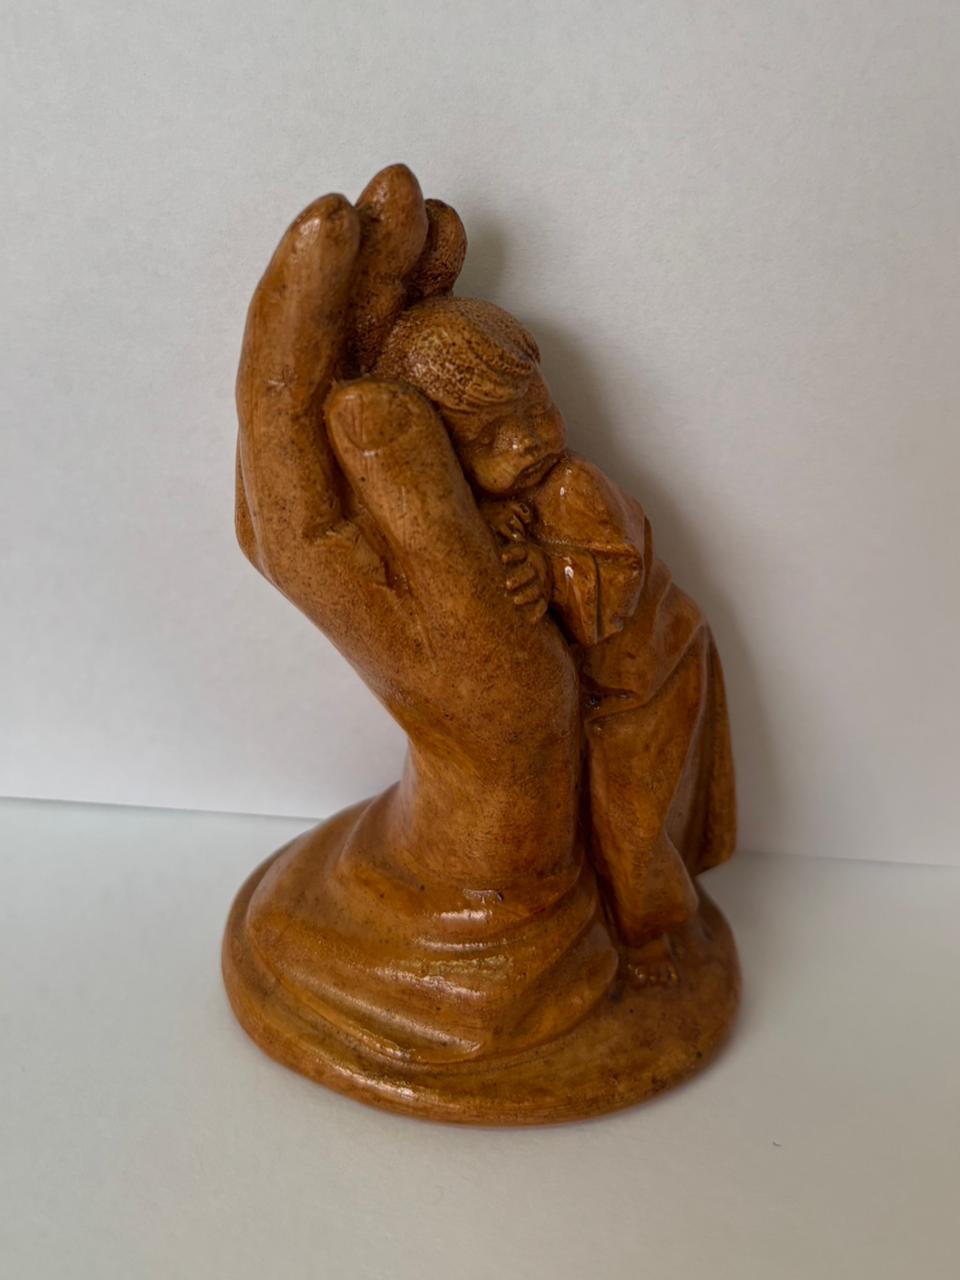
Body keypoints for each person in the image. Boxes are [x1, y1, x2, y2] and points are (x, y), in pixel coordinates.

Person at [376, 296, 737, 983]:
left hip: (649, 681)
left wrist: (548, 572)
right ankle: (618, 919)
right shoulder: (488, 506)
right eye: (491, 438)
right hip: (601, 700)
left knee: (634, 830)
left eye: (538, 411)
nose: (528, 441)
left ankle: (652, 938)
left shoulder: (573, 487)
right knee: (595, 825)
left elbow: (618, 586)